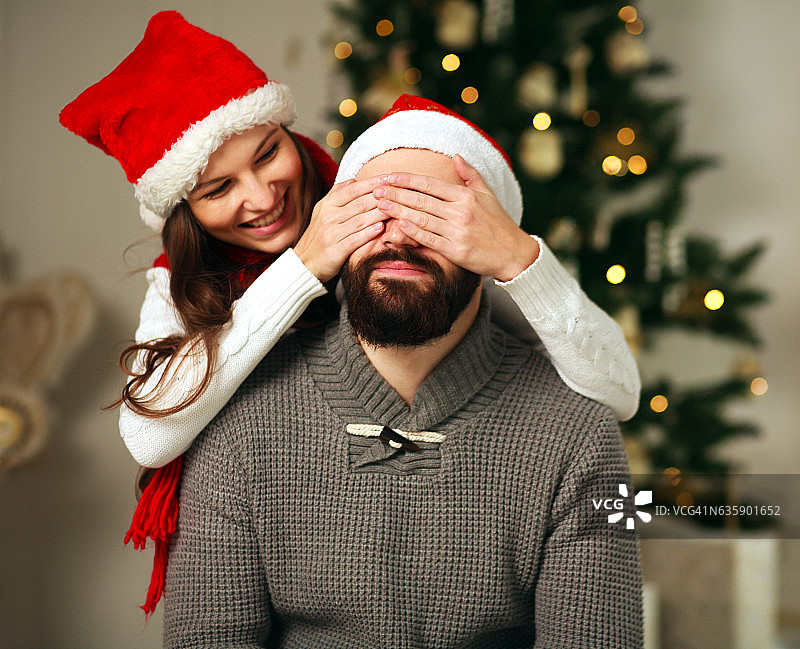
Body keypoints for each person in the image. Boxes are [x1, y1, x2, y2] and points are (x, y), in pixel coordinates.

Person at [60, 12, 640, 613]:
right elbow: (149, 434)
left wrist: (516, 255)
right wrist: (305, 266)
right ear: (183, 213)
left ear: (289, 134)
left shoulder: (379, 210)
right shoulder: (179, 286)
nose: (262, 198)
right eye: (217, 189)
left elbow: (616, 390)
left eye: (267, 154)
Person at [163, 95, 643, 648]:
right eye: (373, 209)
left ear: (488, 237)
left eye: (435, 213)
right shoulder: (241, 419)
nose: (398, 234)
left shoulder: (581, 436)